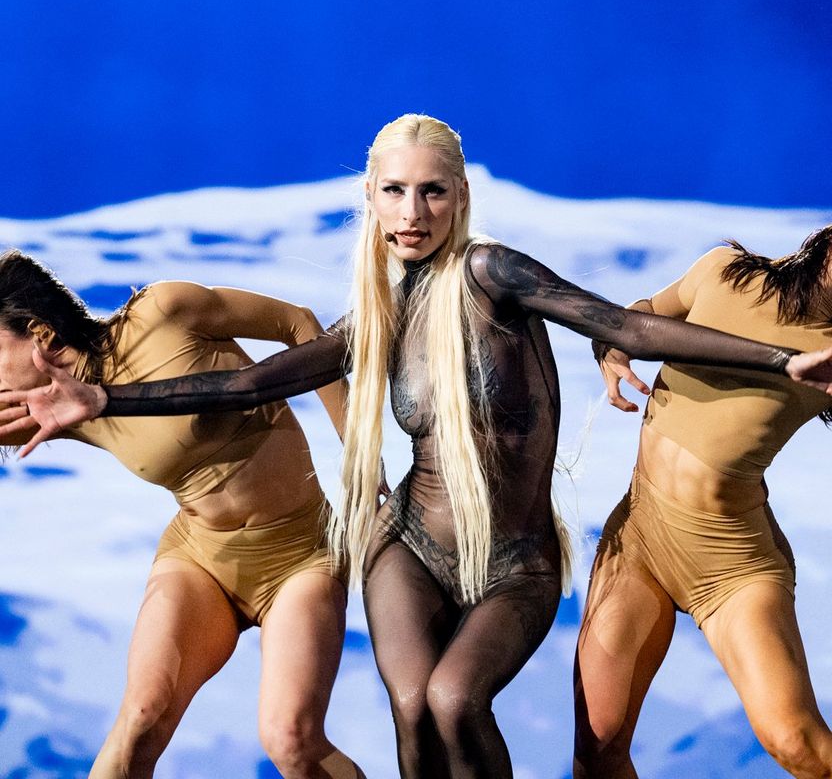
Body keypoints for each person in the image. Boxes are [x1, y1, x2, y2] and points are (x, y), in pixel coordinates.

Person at [3, 116, 832, 779]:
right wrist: (106, 399)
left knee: (454, 698)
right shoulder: (380, 310)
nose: (413, 213)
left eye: (432, 192)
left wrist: (780, 360)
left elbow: (626, 325)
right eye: (395, 193)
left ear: (460, 197)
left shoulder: (495, 274)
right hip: (410, 545)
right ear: (371, 199)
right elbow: (251, 383)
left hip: (516, 558)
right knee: (412, 707)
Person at [0, 251, 365, 779]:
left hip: (301, 555)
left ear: (40, 334)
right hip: (200, 560)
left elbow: (299, 324)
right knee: (141, 718)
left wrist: (358, 445)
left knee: (291, 739)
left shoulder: (165, 311)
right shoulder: (53, 406)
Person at [573, 232, 832, 779]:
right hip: (638, 536)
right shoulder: (725, 271)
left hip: (733, 564)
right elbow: (638, 314)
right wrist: (610, 348)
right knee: (598, 749)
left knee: (796, 744)